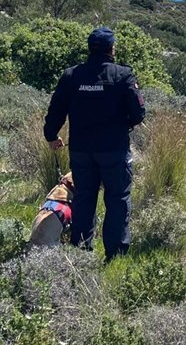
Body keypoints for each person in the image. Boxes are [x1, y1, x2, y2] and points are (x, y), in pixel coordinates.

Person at [43, 26, 146, 261]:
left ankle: (81, 252)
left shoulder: (72, 76)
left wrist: (51, 135)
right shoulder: (123, 75)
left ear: (90, 49)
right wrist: (125, 122)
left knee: (84, 198)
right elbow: (139, 113)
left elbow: (56, 109)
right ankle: (115, 255)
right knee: (117, 200)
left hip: (81, 151)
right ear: (112, 49)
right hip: (114, 150)